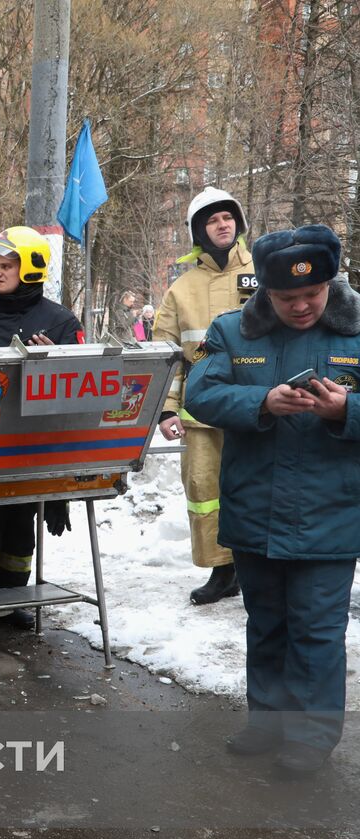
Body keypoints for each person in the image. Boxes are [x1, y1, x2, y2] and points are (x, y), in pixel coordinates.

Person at [185, 224, 360, 776]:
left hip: (332, 512)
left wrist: (345, 412)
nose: (302, 306)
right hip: (255, 509)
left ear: (330, 282)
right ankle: (267, 720)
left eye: (313, 294)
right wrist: (262, 401)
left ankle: (310, 737)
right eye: (287, 298)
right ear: (265, 291)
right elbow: (201, 393)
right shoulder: (234, 330)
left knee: (315, 627)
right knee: (266, 622)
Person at [0, 226, 84, 637]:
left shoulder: (61, 322)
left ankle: (11, 602)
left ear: (32, 269)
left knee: (22, 526)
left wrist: (53, 361)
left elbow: (80, 391)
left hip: (35, 446)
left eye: (7, 265)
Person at [154, 187, 255, 605]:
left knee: (254, 488)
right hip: (200, 411)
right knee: (203, 488)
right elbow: (167, 354)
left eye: (228, 217)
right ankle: (222, 569)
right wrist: (166, 408)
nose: (222, 224)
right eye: (213, 220)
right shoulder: (182, 289)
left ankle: (260, 568)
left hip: (256, 407)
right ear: (199, 229)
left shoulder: (263, 272)